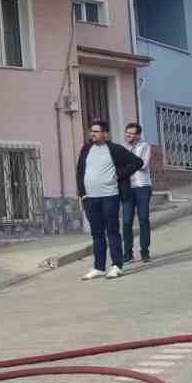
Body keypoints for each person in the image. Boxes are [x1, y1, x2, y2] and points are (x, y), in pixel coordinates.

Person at [76, 120, 143, 280]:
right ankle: (99, 267)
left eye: (96, 131)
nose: (92, 134)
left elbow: (137, 162)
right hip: (90, 199)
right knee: (96, 233)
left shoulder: (114, 149)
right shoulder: (86, 149)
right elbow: (79, 171)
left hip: (109, 197)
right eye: (91, 131)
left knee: (112, 231)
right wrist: (82, 193)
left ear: (106, 134)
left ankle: (116, 266)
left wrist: (118, 175)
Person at [120, 121, 153, 263]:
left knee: (143, 219)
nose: (128, 136)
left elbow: (144, 165)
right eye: (127, 133)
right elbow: (120, 167)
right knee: (126, 221)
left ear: (138, 135)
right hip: (127, 188)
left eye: (131, 134)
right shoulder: (123, 148)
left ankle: (145, 251)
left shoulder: (145, 146)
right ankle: (128, 254)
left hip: (142, 187)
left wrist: (128, 164)